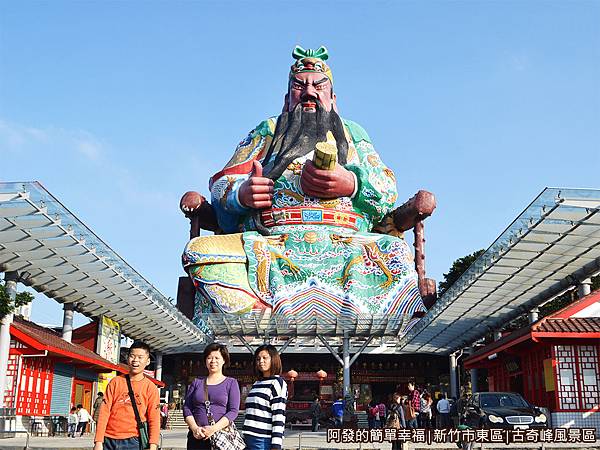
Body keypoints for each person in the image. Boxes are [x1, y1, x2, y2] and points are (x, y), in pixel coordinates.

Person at [181, 45, 426, 326]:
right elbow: (222, 182)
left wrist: (352, 183)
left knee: (394, 252)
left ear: (332, 98)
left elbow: (386, 188)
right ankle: (257, 319)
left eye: (318, 86)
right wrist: (242, 193)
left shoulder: (353, 134)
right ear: (287, 99)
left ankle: (363, 326)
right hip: (270, 244)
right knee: (200, 251)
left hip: (349, 247)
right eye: (300, 86)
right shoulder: (268, 130)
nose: (309, 93)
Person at [94, 340, 161, 450]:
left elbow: (154, 418)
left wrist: (153, 445)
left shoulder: (150, 388)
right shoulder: (115, 382)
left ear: (148, 361)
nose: (135, 360)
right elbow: (104, 412)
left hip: (133, 441)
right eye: (132, 356)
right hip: (108, 440)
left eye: (140, 357)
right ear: (128, 358)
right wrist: (98, 441)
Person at [183, 343, 240, 450]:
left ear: (224, 360)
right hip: (196, 437)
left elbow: (233, 411)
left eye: (217, 358)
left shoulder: (231, 383)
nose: (213, 361)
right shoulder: (197, 382)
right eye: (209, 358)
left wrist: (213, 429)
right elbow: (187, 408)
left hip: (220, 436)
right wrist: (195, 428)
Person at [243, 344, 288, 450]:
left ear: (274, 359)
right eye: (258, 359)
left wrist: (276, 446)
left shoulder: (277, 383)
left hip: (262, 440)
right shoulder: (257, 383)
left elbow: (279, 416)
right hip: (248, 438)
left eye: (265, 358)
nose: (261, 361)